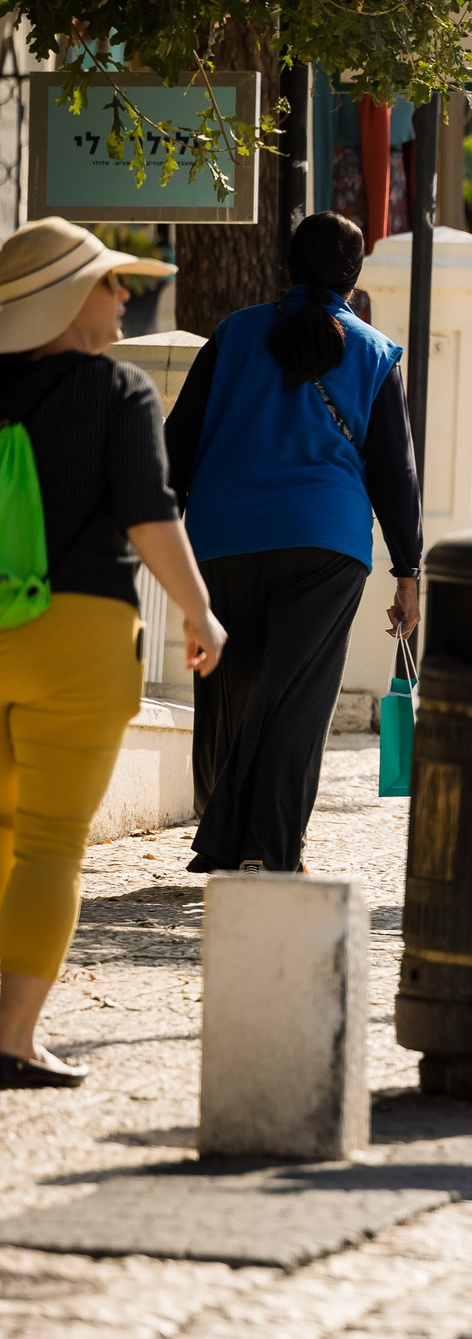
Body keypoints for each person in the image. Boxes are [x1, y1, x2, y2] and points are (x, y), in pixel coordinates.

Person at [0, 221, 224, 1088]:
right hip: (80, 636)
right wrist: (200, 611)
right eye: (108, 283)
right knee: (51, 843)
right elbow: (149, 514)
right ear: (63, 300)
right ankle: (14, 1038)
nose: (124, 296)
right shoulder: (117, 390)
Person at [166, 214, 423, 872]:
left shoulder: (234, 333)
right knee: (295, 697)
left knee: (234, 690)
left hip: (223, 536)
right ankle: (266, 847)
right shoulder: (373, 352)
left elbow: (177, 441)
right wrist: (409, 569)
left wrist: (162, 528)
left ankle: (226, 839)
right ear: (355, 273)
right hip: (324, 543)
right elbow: (394, 472)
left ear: (287, 261)